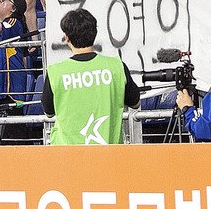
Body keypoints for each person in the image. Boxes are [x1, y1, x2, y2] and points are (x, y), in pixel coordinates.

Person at [43, 8, 140, 145]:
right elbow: (135, 102)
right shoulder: (116, 67)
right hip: (108, 152)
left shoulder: (55, 72)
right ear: (94, 33)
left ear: (67, 37)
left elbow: (49, 112)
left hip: (66, 153)